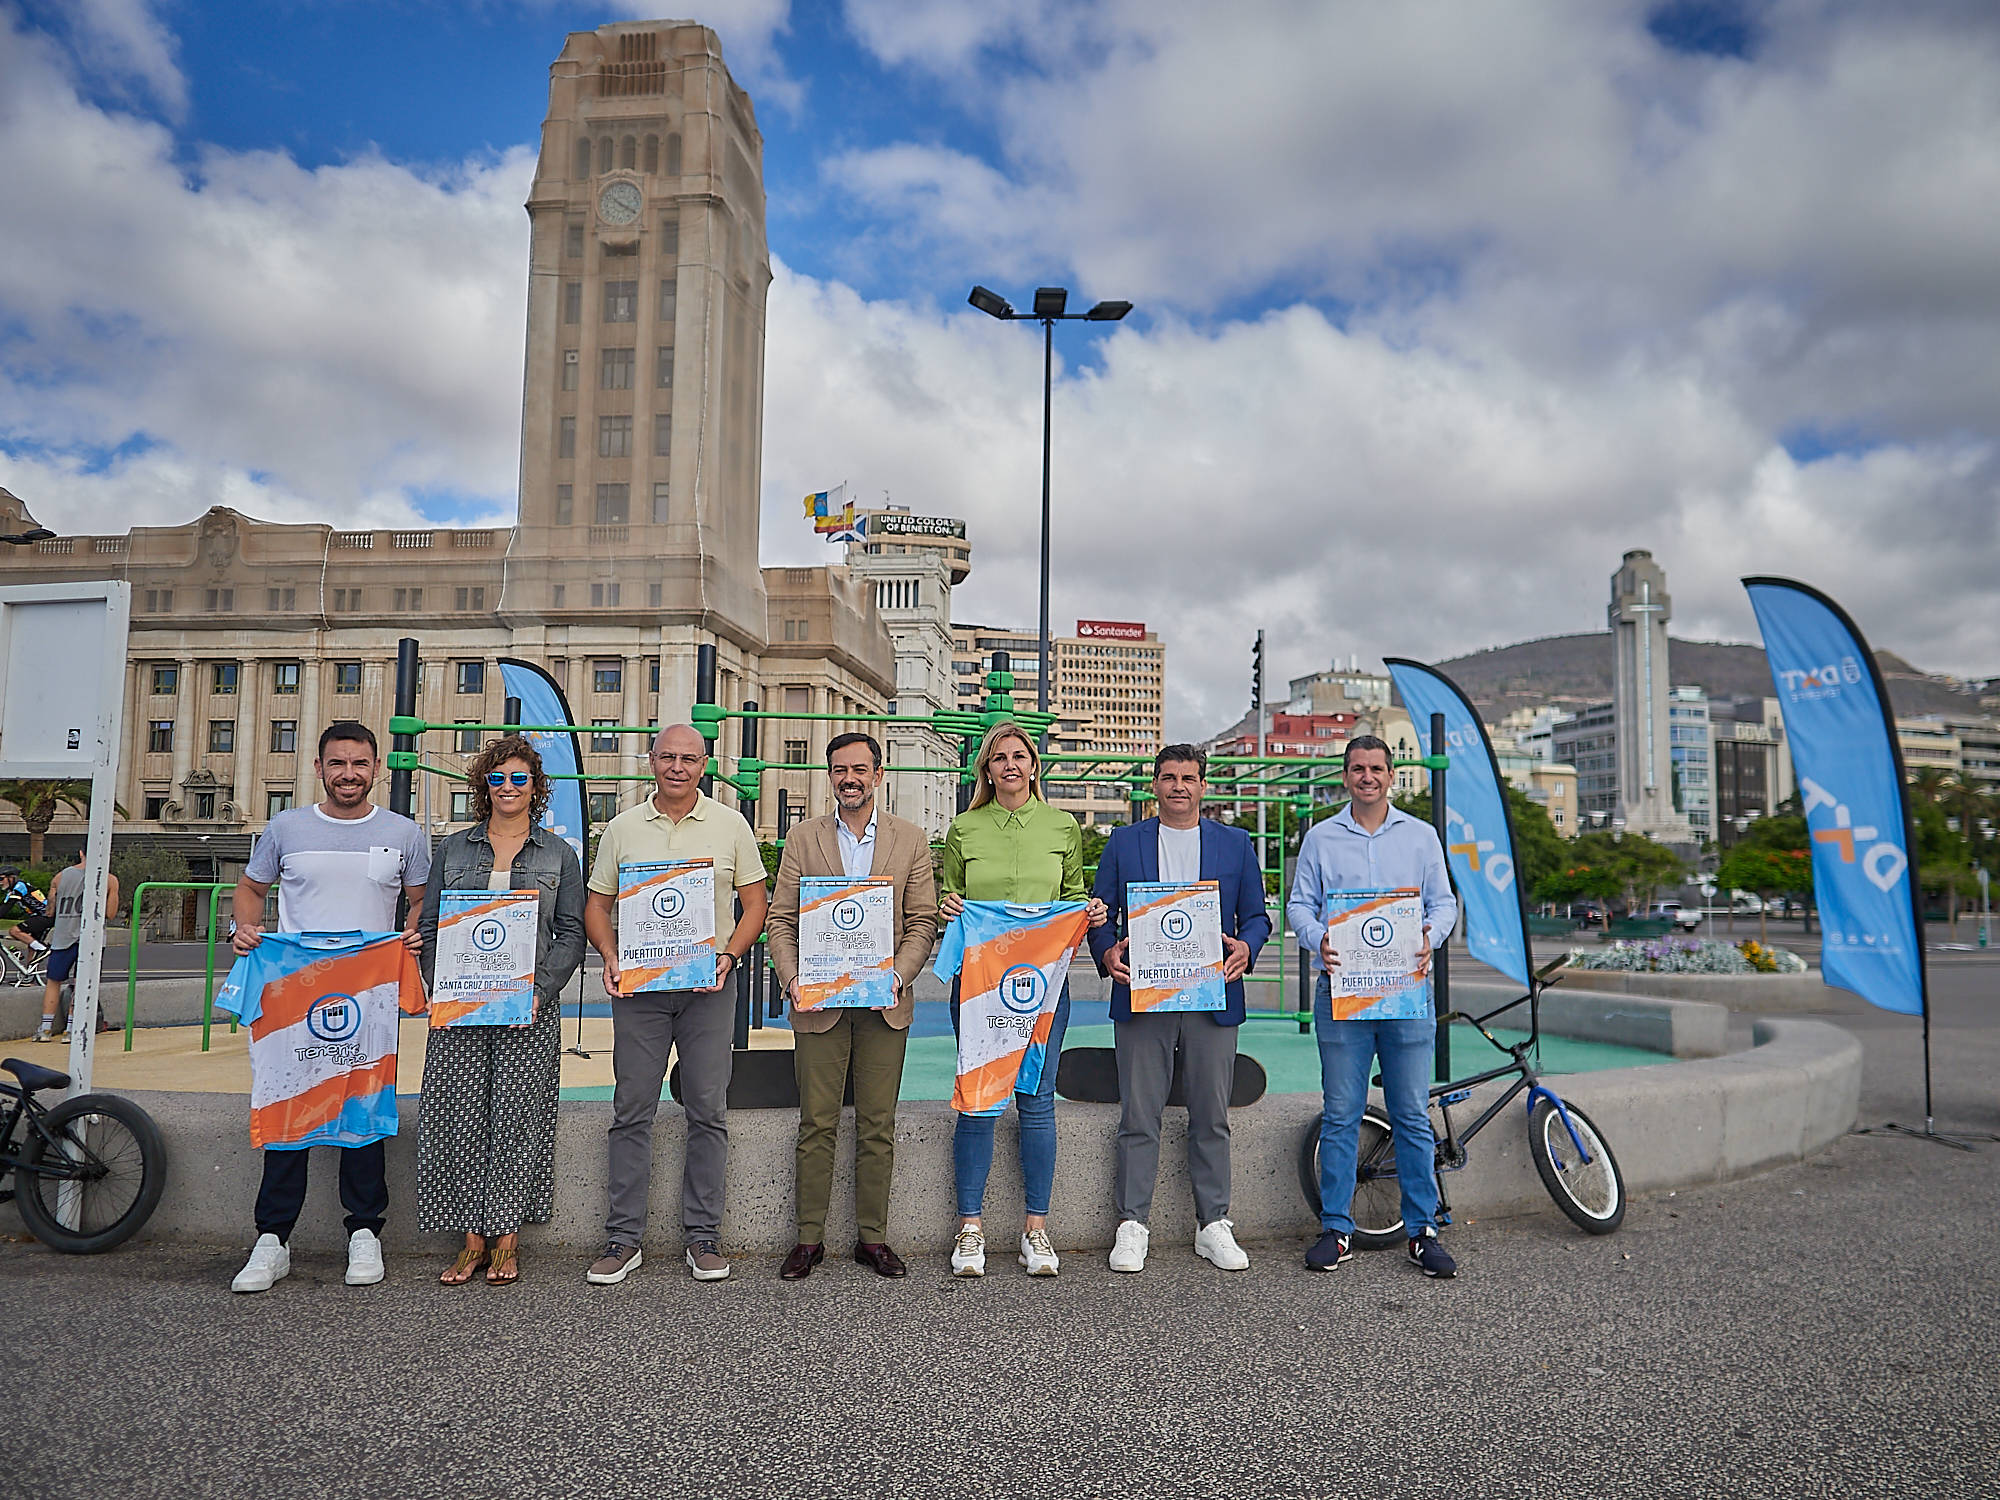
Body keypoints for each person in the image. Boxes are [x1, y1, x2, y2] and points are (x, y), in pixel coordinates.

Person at [227, 721, 431, 1294]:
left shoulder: (404, 832)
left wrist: (412, 934)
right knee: (288, 1104)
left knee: (364, 1108)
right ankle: (272, 1239)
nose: (349, 774)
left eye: (359, 764)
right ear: (318, 768)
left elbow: (420, 901)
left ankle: (364, 1231)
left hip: (367, 993)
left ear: (376, 769)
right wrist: (244, 927)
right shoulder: (285, 828)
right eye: (337, 763)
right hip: (293, 992)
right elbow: (251, 889)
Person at [583, 723, 768, 1285]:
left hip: (708, 989)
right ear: (651, 761)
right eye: (668, 757)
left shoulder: (731, 825)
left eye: (690, 758)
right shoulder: (621, 829)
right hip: (639, 989)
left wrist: (731, 955)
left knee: (708, 1110)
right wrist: (612, 957)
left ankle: (703, 1236)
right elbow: (597, 906)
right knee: (631, 1108)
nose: (678, 767)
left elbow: (755, 905)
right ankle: (622, 1239)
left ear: (705, 764)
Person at [1089, 744, 1270, 1274]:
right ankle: (1132, 1224)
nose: (1178, 787)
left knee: (1211, 1115)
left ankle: (1213, 1223)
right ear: (1155, 785)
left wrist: (1246, 948)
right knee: (1138, 1115)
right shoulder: (1125, 843)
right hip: (1144, 994)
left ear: (1203, 786)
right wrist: (1107, 949)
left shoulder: (1235, 844)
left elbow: (1257, 917)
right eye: (1168, 777)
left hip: (1212, 994)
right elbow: (1099, 912)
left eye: (1188, 778)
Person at [765, 732, 939, 1280]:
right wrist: (793, 979)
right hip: (818, 1002)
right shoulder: (803, 839)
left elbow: (923, 921)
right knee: (816, 1123)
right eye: (840, 769)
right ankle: (808, 1239)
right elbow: (781, 920)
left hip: (884, 1000)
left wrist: (897, 974)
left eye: (860, 769)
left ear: (878, 774)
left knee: (877, 1123)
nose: (850, 778)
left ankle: (872, 1238)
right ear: (830, 776)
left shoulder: (910, 840)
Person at [415, 735, 586, 1286]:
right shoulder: (454, 850)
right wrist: (443, 984)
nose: (508, 787)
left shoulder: (558, 855)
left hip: (529, 1008)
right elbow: (429, 927)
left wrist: (542, 991)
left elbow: (571, 932)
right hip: (460, 1008)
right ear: (482, 786)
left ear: (536, 788)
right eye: (497, 778)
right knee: (456, 1121)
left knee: (519, 1121)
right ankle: (470, 1243)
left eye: (519, 778)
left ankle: (507, 1242)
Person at [938, 721, 1107, 1278]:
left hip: (1041, 987)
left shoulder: (1063, 826)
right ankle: (969, 1229)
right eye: (998, 758)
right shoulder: (963, 829)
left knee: (1036, 1098)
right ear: (985, 769)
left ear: (1034, 766)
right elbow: (951, 893)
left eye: (1019, 756)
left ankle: (1037, 1230)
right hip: (981, 984)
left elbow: (1075, 896)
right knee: (979, 1095)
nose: (1010, 765)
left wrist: (1090, 913)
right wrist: (949, 907)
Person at [1287, 734, 1459, 1279]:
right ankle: (1336, 1229)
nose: (1367, 777)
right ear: (1345, 776)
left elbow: (1444, 902)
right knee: (1340, 1114)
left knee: (1410, 1114)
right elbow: (1299, 904)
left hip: (1406, 994)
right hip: (1341, 992)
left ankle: (1422, 1231)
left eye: (1376, 769)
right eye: (1357, 768)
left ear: (1391, 776)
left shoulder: (1421, 836)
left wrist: (1432, 933)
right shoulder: (1320, 837)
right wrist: (1318, 939)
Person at [37, 847, 118, 1043]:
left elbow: (50, 910)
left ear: (82, 852)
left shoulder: (60, 877)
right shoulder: (109, 879)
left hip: (63, 936)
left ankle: (45, 1029)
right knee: (82, 983)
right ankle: (72, 1028)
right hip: (91, 939)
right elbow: (111, 913)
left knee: (54, 982)